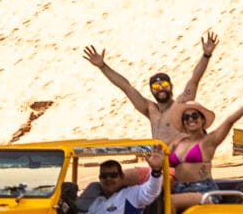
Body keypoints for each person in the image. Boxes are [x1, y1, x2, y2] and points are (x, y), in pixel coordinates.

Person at [83, 32, 218, 148]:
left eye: (164, 84)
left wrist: (206, 55)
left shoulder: (180, 106)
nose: (160, 88)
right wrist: (103, 66)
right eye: (155, 86)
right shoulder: (150, 109)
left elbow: (194, 80)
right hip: (158, 165)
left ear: (171, 86)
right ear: (151, 90)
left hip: (177, 165)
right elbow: (126, 87)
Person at [168, 82, 243, 193]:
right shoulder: (176, 143)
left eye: (194, 115)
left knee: (171, 203)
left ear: (202, 120)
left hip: (201, 189)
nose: (190, 119)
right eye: (186, 117)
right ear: (183, 122)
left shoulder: (208, 141)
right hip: (178, 188)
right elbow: (161, 163)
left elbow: (229, 122)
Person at [76, 149, 167, 214]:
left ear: (122, 177)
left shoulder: (131, 194)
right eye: (104, 176)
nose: (108, 179)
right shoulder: (98, 202)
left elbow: (151, 191)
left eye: (113, 175)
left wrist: (156, 171)